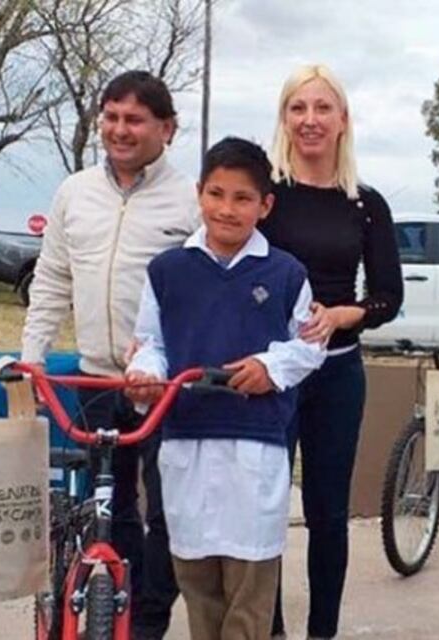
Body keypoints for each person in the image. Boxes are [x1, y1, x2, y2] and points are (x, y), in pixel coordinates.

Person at [124, 137, 326, 640]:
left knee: (249, 591)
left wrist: (267, 365)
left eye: (242, 198)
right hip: (185, 440)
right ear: (199, 194)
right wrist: (145, 375)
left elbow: (309, 347)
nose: (227, 209)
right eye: (216, 194)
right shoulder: (168, 271)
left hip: (254, 444)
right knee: (198, 586)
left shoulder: (285, 274)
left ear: (265, 205)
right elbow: (151, 342)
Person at [21, 70, 197, 639]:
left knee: (167, 515)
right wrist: (33, 355)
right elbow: (51, 278)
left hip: (163, 388)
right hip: (97, 380)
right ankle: (113, 611)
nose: (120, 130)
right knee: (112, 510)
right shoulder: (74, 192)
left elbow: (201, 294)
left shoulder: (191, 200)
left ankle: (149, 619)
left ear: (166, 129)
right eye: (111, 116)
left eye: (135, 119)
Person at [258, 64, 403, 640]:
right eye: (298, 108)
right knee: (263, 511)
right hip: (268, 375)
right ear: (284, 118)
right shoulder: (265, 196)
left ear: (343, 121)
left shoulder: (365, 204)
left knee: (327, 515)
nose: (310, 120)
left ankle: (323, 632)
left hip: (338, 373)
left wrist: (346, 315)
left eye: (323, 109)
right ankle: (266, 629)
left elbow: (387, 296)